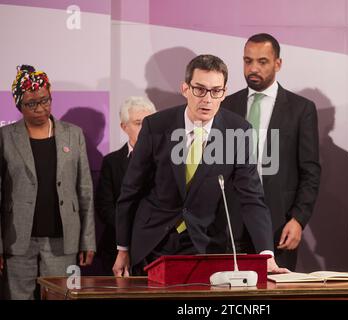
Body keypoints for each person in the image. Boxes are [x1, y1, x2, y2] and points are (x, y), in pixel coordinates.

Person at [113, 54, 288, 276]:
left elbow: (252, 197)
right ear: (185, 88)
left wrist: (266, 254)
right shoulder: (156, 126)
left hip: (203, 242)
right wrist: (123, 249)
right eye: (200, 89)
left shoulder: (238, 131)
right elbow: (131, 190)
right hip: (152, 241)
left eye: (216, 91)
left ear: (224, 93)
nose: (207, 99)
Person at [221, 33, 321, 271]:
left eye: (262, 62)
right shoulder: (226, 105)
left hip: (279, 224)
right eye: (247, 61)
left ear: (278, 64)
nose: (253, 68)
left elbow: (310, 171)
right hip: (230, 224)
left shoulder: (301, 109)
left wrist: (298, 219)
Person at [0, 65, 96, 299]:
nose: (40, 108)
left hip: (63, 240)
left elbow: (84, 190)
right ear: (19, 106)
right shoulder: (5, 137)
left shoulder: (73, 135)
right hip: (17, 242)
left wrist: (88, 240)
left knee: (60, 295)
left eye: (45, 100)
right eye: (32, 103)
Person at [95, 96, 156, 275]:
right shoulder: (111, 162)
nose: (145, 129)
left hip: (156, 246)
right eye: (138, 123)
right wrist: (128, 229)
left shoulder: (167, 160)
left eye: (149, 123)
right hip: (116, 247)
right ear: (124, 127)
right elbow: (104, 206)